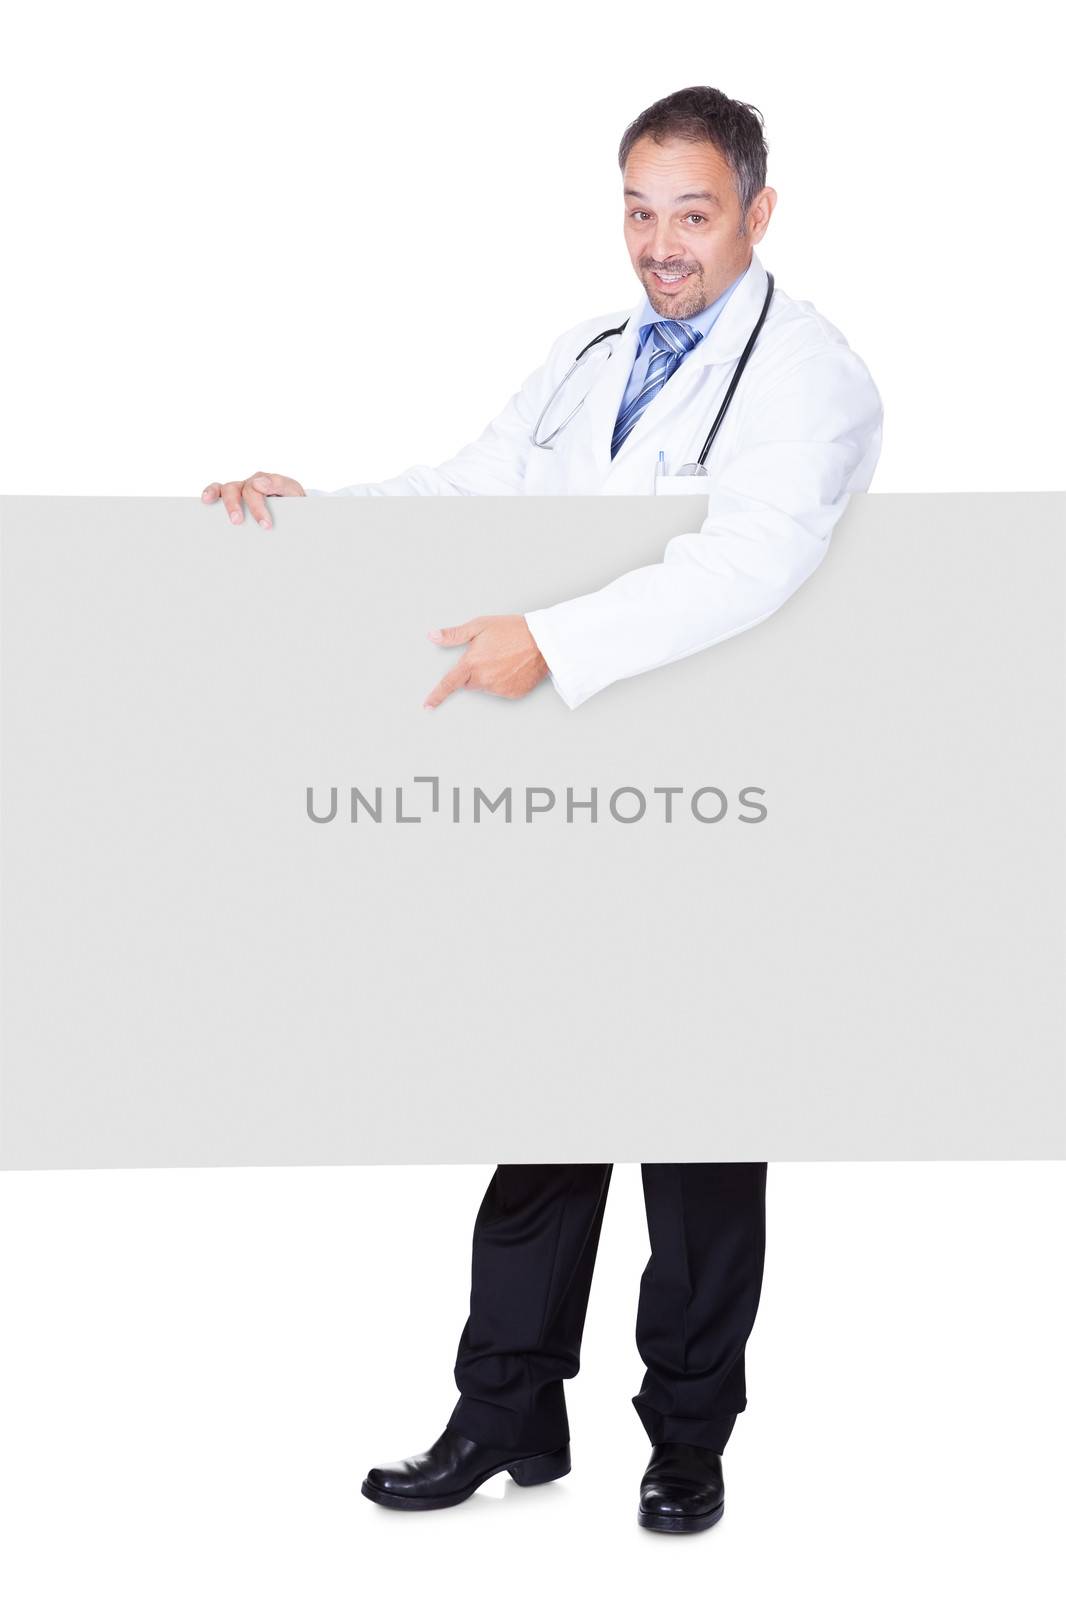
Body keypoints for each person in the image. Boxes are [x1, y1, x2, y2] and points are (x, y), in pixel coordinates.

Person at [202, 85, 883, 1534]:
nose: (659, 245)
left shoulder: (807, 376)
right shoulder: (588, 353)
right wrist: (313, 515)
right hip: (576, 813)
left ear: (756, 214)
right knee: (542, 1105)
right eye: (637, 211)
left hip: (727, 804)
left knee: (698, 1134)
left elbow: (754, 563)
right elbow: (477, 490)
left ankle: (686, 1435)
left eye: (691, 213)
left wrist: (553, 643)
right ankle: (509, 1410)